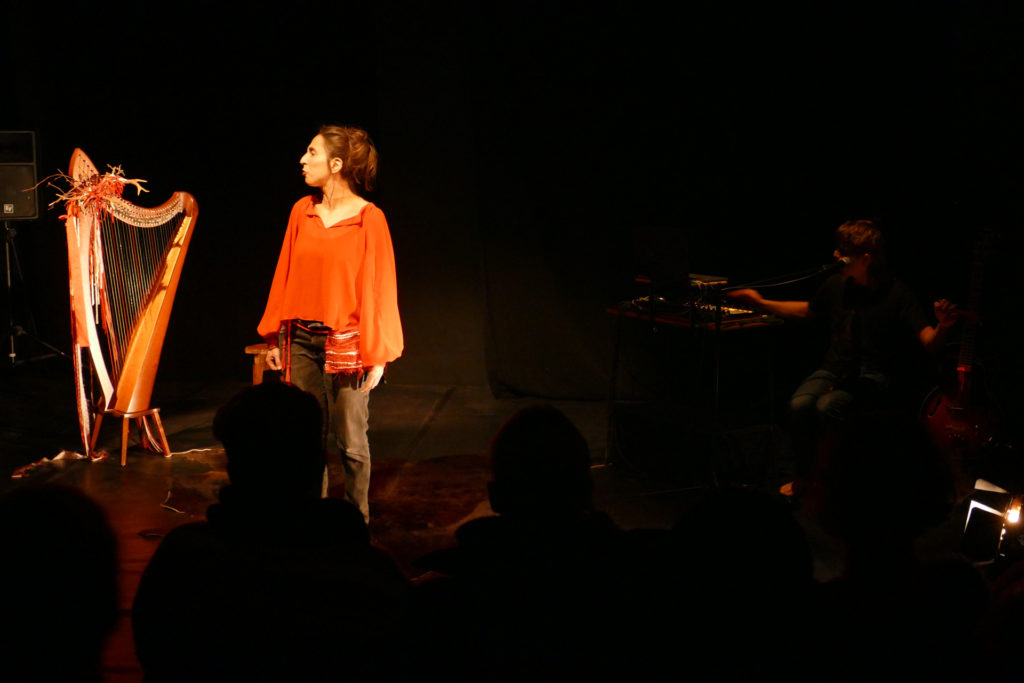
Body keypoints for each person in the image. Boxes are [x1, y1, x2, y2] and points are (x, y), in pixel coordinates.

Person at [132, 382, 409, 682]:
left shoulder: (183, 561)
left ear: (232, 465)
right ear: (317, 462)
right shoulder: (365, 574)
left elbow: (155, 653)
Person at [728, 219, 959, 491]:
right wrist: (761, 302)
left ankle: (838, 482)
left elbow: (929, 340)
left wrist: (943, 326)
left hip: (876, 376)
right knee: (799, 405)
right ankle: (806, 477)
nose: (836, 254)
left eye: (844, 251)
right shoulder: (837, 284)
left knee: (828, 407)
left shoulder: (898, 293)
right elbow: (807, 310)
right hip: (835, 369)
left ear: (866, 259)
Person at [258, 125, 403, 522]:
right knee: (307, 439)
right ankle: (312, 520)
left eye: (312, 152)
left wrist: (378, 356)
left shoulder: (369, 219)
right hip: (300, 339)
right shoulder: (302, 211)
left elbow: (381, 287)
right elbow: (284, 273)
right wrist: (274, 337)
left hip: (348, 342)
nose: (303, 160)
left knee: (351, 442)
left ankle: (357, 523)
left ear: (336, 164)